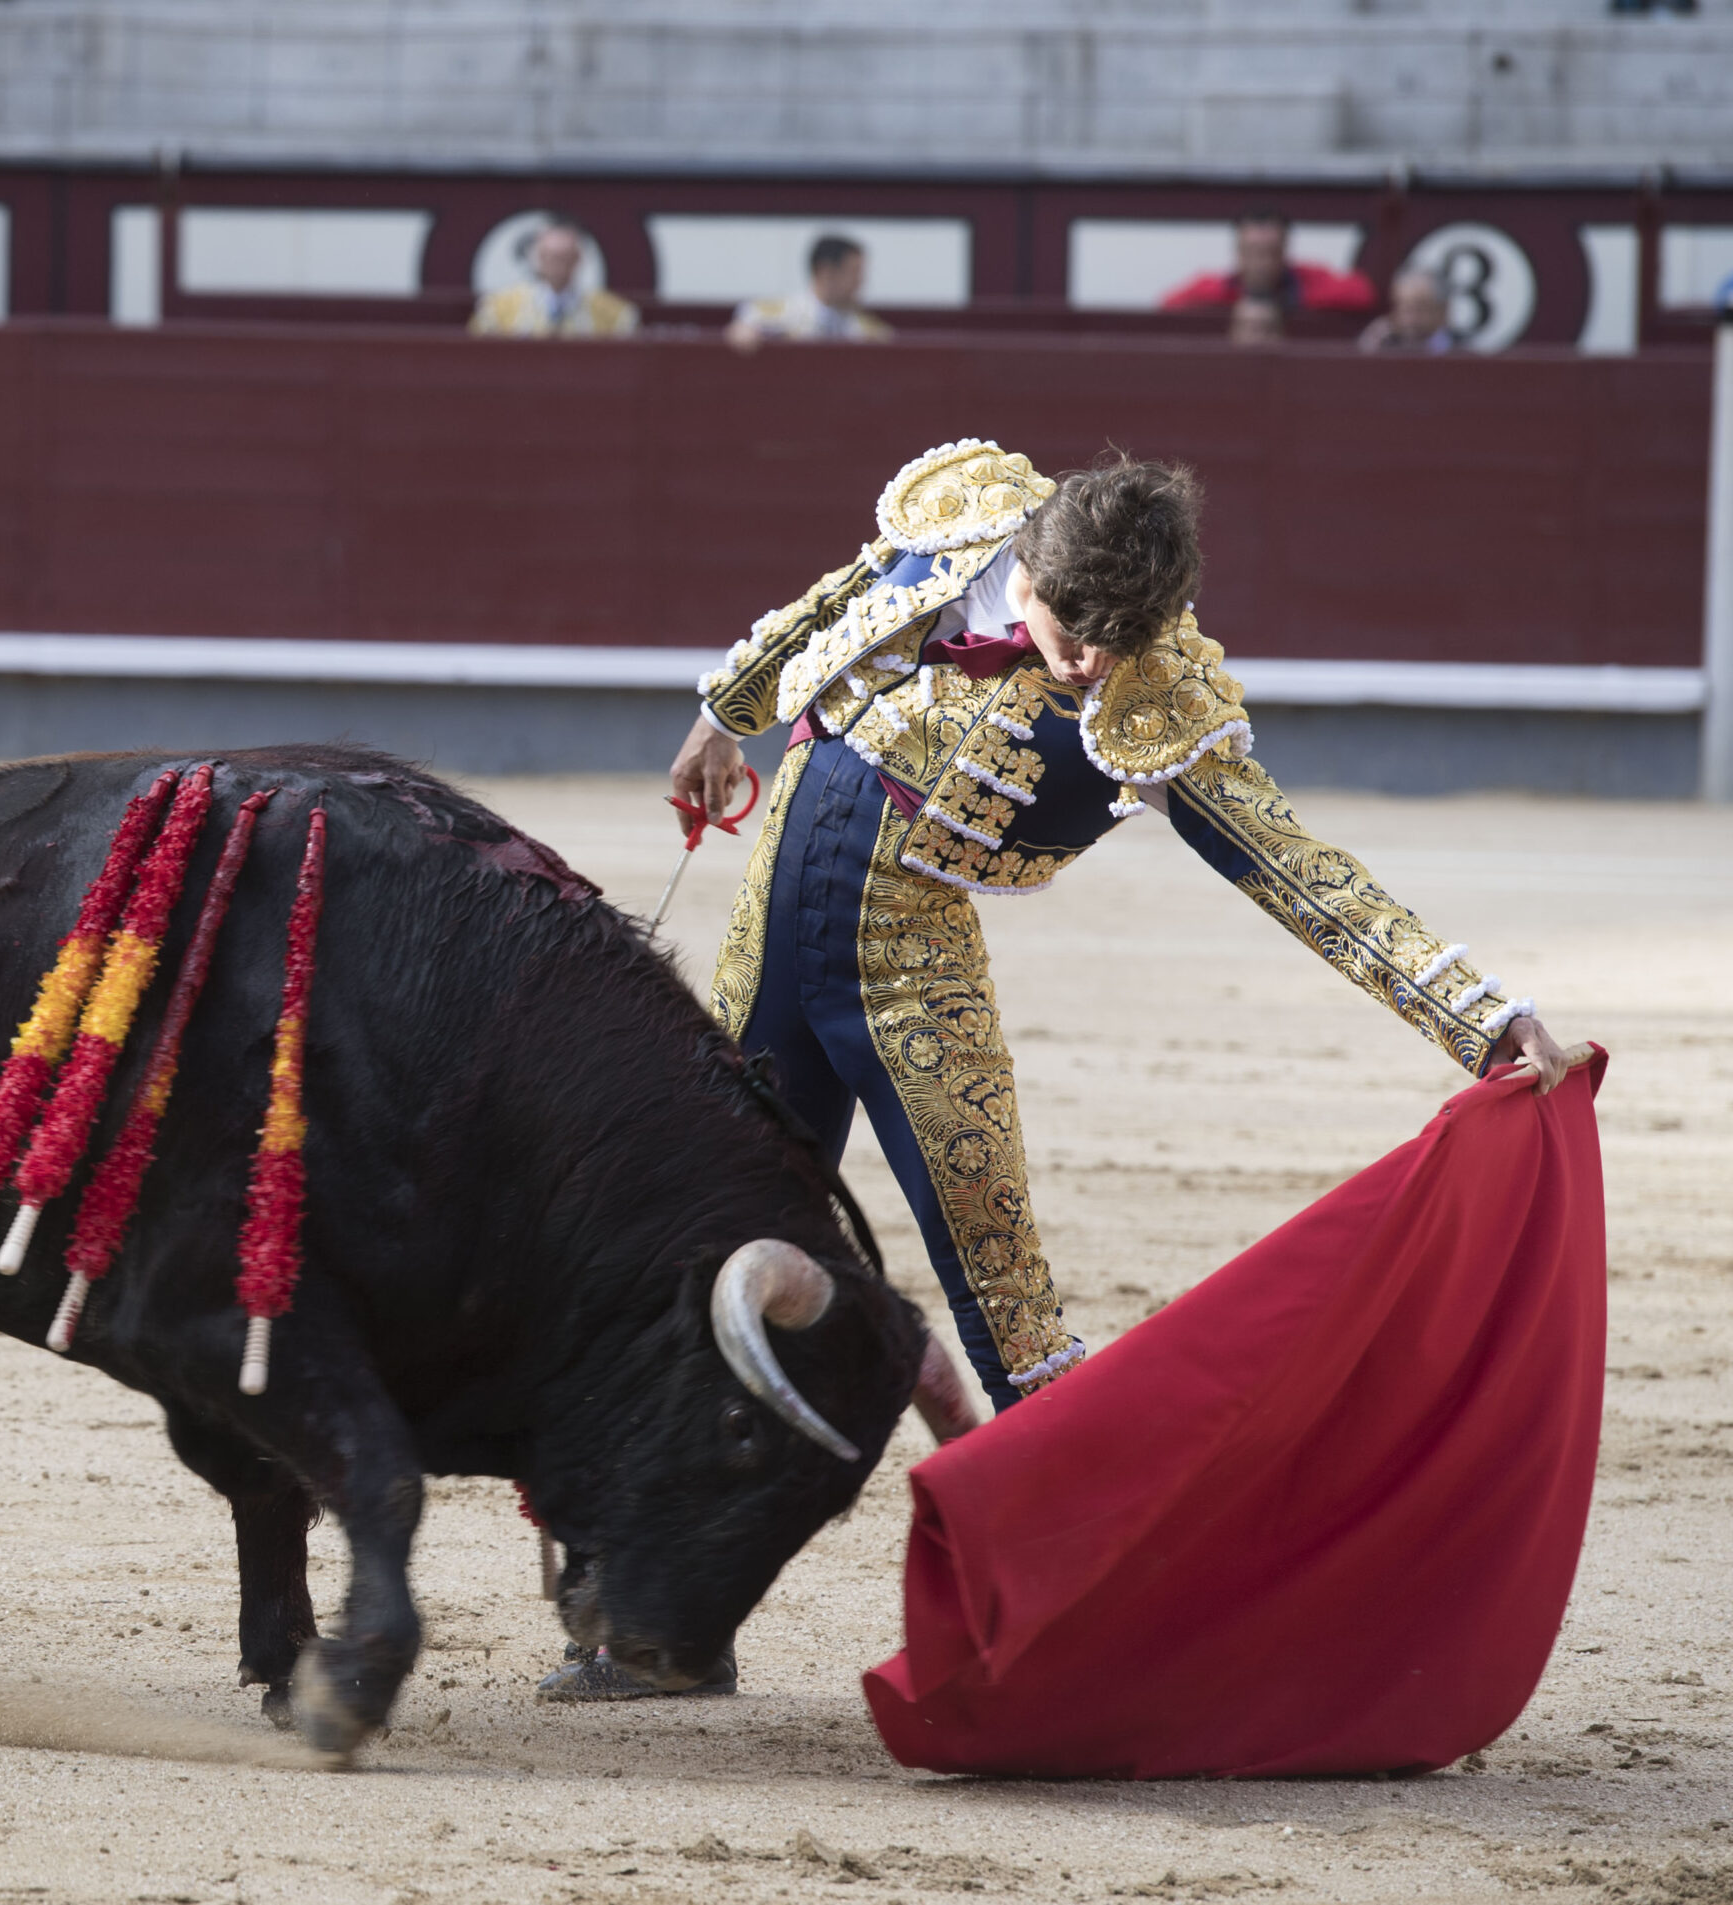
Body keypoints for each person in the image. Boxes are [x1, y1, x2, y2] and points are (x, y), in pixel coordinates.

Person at [539, 441, 1564, 1702]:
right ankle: (650, 1616)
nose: (1085, 663)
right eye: (1069, 629)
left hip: (913, 979)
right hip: (770, 939)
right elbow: (833, 602)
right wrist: (724, 714)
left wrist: (1479, 1011)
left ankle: (1092, 1623)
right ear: (1023, 561)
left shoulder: (1159, 696)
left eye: (1116, 642)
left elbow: (1296, 870)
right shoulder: (960, 519)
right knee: (696, 1265)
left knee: (1008, 1309)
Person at [1162, 208, 1374, 315]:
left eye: (1269, 252)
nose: (1261, 263)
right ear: (1238, 253)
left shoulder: (1305, 282)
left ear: (1284, 252)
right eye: (1252, 252)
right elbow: (1168, 305)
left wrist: (1296, 300)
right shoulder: (1215, 289)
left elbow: (1362, 293)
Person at [468, 217, 639, 339]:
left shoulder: (613, 315)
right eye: (549, 257)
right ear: (537, 259)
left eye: (564, 258)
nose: (556, 266)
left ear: (578, 260)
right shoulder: (498, 310)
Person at [726, 234, 894, 351]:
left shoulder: (866, 328)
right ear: (826, 272)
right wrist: (743, 330)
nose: (860, 282)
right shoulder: (788, 312)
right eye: (854, 273)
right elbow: (743, 325)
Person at [1358, 268, 1457, 354]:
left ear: (1442, 311)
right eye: (1404, 310)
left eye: (1419, 310)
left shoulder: (1460, 351)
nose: (1410, 320)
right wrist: (1369, 346)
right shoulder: (1385, 345)